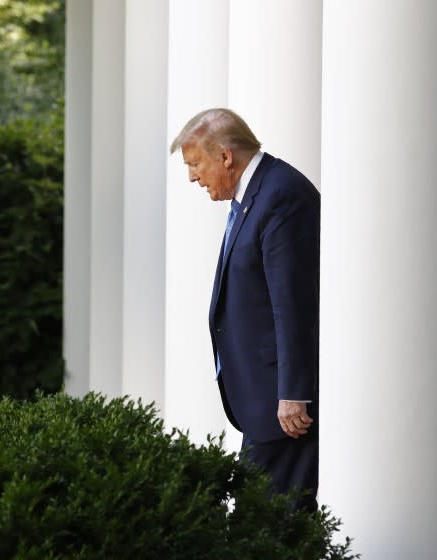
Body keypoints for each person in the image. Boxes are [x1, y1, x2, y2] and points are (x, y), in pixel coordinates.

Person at [170, 108, 320, 511]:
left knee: (265, 527)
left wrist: (293, 392)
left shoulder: (281, 196)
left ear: (224, 156)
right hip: (264, 403)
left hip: (283, 408)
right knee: (264, 525)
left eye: (195, 164)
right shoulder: (255, 195)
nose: (192, 177)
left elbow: (293, 303)